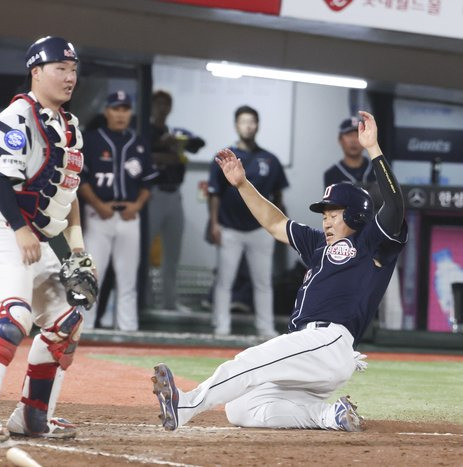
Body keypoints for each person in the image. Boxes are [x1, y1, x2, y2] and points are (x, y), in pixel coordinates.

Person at [152, 111, 407, 432]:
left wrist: (374, 149)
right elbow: (275, 223)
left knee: (249, 363)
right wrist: (243, 185)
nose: (325, 220)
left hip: (329, 341)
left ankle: (185, 404)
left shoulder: (371, 242)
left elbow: (395, 207)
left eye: (333, 213)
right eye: (324, 214)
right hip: (308, 347)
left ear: (356, 215)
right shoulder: (318, 245)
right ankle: (330, 416)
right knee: (241, 408)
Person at [0, 36, 98, 442]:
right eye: (60, 69)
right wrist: (19, 229)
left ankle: (33, 416)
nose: (70, 77)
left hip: (32, 236)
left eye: (73, 69)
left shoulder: (70, 128)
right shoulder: (16, 116)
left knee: (66, 321)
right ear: (36, 72)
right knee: (12, 315)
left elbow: (68, 196)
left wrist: (78, 250)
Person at [79, 90, 157, 331]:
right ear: (107, 112)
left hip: (129, 215)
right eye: (116, 109)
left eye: (125, 109)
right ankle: (84, 328)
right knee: (92, 276)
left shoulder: (139, 143)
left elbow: (147, 183)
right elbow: (81, 180)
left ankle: (127, 330)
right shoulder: (90, 139)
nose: (120, 114)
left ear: (130, 113)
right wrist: (98, 205)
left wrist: (137, 205)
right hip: (98, 214)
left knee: (127, 278)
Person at [207, 105, 288, 337]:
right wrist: (214, 223)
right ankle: (221, 326)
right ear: (236, 125)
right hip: (229, 227)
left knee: (263, 281)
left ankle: (266, 328)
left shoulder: (270, 160)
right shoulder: (224, 158)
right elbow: (214, 194)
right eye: (243, 121)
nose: (248, 126)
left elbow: (279, 197)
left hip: (262, 229)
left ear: (258, 125)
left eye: (252, 121)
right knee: (224, 280)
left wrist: (279, 226)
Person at [324, 116, 403, 330]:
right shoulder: (332, 173)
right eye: (347, 135)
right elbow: (336, 208)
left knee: (390, 295)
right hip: (348, 244)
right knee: (343, 293)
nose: (352, 140)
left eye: (354, 134)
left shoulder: (376, 167)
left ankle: (394, 342)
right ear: (340, 140)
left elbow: (388, 199)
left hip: (376, 238)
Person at [148, 90, 205, 311]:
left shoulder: (175, 131)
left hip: (174, 195)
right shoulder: (147, 130)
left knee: (172, 252)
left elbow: (198, 143)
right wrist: (164, 150)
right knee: (145, 252)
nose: (162, 109)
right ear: (152, 106)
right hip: (153, 194)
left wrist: (177, 142)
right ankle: (147, 301)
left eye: (166, 105)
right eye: (158, 104)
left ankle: (169, 301)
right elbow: (145, 154)